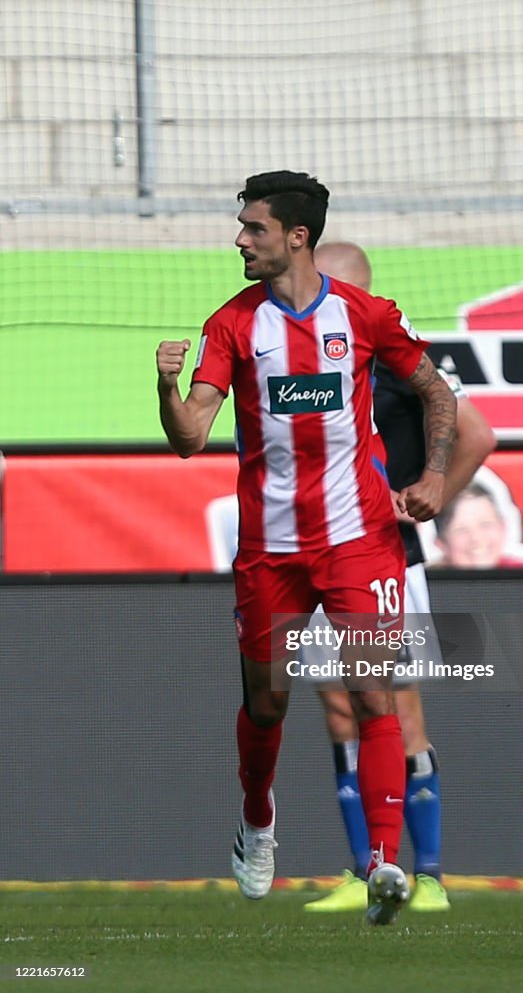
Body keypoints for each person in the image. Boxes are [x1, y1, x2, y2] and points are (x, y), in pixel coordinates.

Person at [155, 171, 458, 926]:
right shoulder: (231, 325)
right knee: (269, 704)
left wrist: (434, 476)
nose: (239, 239)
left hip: (360, 541)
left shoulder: (363, 315)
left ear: (295, 236)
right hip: (271, 551)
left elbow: (437, 393)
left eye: (252, 228)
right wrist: (164, 389)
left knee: (373, 694)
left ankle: (384, 865)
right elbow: (190, 440)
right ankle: (258, 825)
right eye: (242, 227)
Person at [302, 242, 496, 913]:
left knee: (396, 707)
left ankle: (431, 875)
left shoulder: (401, 359)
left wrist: (427, 497)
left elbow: (477, 435)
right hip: (314, 557)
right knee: (337, 709)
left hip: (387, 559)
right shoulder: (303, 359)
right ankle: (364, 873)